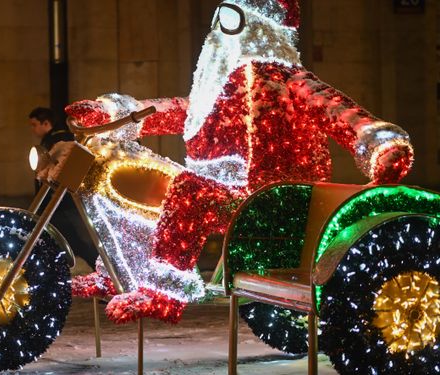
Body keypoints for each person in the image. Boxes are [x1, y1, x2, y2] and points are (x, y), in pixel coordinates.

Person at [66, 0, 413, 324]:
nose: (219, 33)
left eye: (230, 19)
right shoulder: (217, 91)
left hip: (271, 197)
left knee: (188, 191)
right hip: (225, 193)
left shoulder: (287, 80)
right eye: (218, 20)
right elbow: (174, 110)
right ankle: (117, 272)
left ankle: (165, 293)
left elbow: (337, 110)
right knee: (124, 171)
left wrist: (380, 143)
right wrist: (111, 114)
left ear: (260, 26)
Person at [28, 107, 98, 270]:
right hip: (60, 201)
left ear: (46, 123)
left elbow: (54, 172)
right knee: (73, 241)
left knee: (74, 242)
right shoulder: (57, 138)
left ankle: (99, 269)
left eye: (34, 124)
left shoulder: (56, 141)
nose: (32, 129)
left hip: (58, 202)